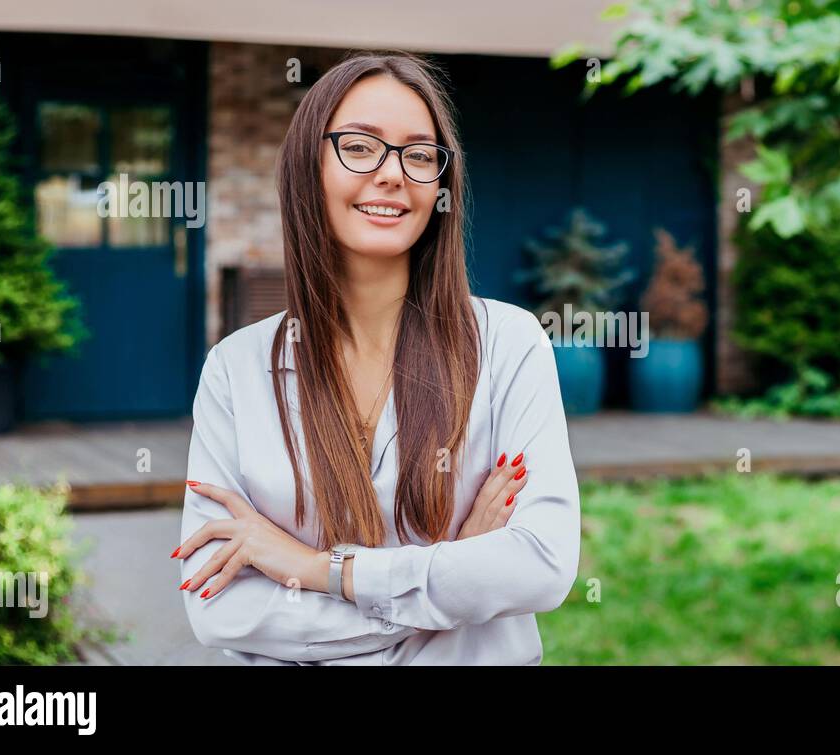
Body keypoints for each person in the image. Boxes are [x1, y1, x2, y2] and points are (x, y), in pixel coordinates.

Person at [172, 52, 580, 665]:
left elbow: (541, 567)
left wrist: (318, 569)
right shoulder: (236, 369)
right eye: (360, 147)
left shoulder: (508, 344)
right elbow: (219, 607)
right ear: (308, 168)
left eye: (419, 155)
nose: (393, 174)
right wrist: (451, 590)